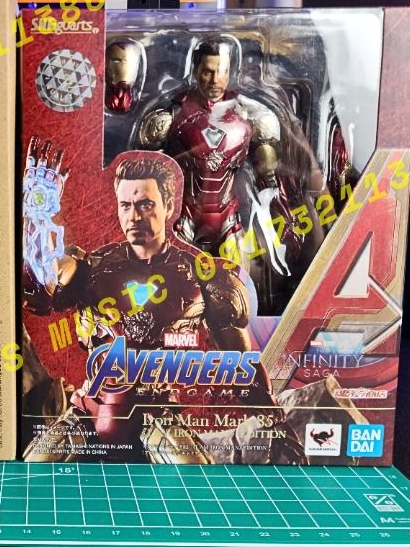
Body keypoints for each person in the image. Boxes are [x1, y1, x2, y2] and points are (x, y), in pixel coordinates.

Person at [21, 140, 302, 463]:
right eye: (125, 205)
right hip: (90, 413)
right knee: (33, 472)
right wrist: (36, 218)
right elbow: (40, 291)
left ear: (169, 206)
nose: (134, 216)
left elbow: (241, 365)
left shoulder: (203, 276)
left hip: (155, 419)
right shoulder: (89, 268)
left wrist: (275, 422)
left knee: (195, 477)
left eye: (145, 205)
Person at [135, 37, 302, 276]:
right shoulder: (171, 116)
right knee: (173, 282)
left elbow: (269, 178)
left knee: (238, 281)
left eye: (222, 71)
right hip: (184, 216)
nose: (215, 80)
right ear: (196, 71)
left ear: (230, 71)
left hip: (228, 216)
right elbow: (148, 175)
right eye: (208, 72)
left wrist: (280, 207)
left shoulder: (249, 114)